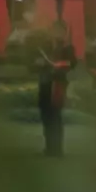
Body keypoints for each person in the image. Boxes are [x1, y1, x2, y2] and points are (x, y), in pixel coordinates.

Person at [36, 22, 77, 157]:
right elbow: (35, 63)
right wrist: (39, 64)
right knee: (46, 116)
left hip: (57, 85)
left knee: (55, 116)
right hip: (45, 84)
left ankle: (57, 148)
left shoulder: (68, 48)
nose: (57, 33)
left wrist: (60, 65)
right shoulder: (46, 47)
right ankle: (49, 146)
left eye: (60, 31)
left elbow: (72, 64)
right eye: (55, 30)